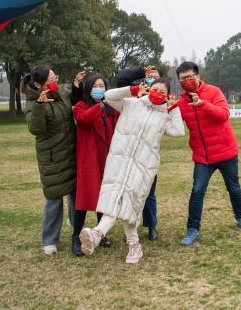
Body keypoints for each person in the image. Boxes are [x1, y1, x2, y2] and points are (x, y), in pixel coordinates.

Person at [79, 80, 185, 263]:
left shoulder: (164, 117)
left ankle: (99, 233)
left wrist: (173, 108)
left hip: (143, 166)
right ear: (148, 89)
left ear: (166, 95)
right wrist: (132, 89)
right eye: (155, 89)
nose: (157, 93)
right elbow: (109, 96)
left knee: (131, 204)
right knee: (117, 199)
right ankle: (130, 245)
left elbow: (178, 131)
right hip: (120, 161)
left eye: (162, 91)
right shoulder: (132, 103)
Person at [176, 61, 241, 247]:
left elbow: (223, 115)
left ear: (198, 76)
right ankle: (193, 229)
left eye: (190, 77)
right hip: (203, 157)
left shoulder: (213, 92)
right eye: (182, 79)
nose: (187, 81)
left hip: (225, 152)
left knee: (234, 188)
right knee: (197, 191)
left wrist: (202, 104)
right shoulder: (181, 102)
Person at [23, 66, 77, 255]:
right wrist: (39, 105)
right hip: (53, 157)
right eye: (50, 80)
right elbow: (36, 129)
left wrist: (77, 87)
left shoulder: (60, 94)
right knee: (54, 198)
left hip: (70, 151)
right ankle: (49, 239)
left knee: (74, 192)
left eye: (55, 78)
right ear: (38, 84)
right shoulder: (32, 103)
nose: (54, 82)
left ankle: (74, 222)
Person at [71, 74, 118, 256]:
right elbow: (83, 120)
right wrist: (100, 106)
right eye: (96, 85)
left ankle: (100, 233)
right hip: (89, 159)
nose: (99, 88)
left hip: (107, 158)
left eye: (102, 85)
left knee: (103, 198)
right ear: (89, 88)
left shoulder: (110, 108)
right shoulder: (82, 106)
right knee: (83, 201)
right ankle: (76, 237)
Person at [115, 65, 161, 241]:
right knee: (130, 192)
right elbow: (121, 81)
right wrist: (140, 72)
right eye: (149, 76)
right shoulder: (136, 94)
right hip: (129, 151)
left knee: (149, 192)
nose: (152, 78)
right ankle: (130, 230)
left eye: (155, 77)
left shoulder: (161, 101)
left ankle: (151, 226)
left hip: (149, 152)